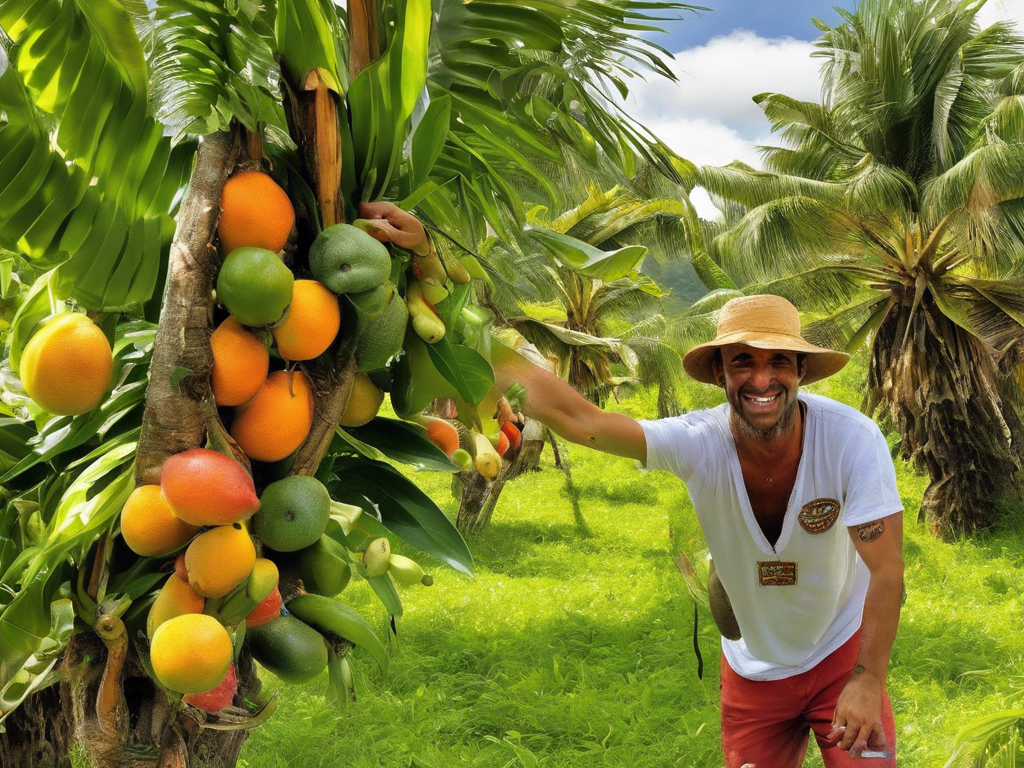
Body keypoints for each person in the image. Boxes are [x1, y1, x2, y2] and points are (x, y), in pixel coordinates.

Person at [489, 294, 904, 768]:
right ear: (718, 373)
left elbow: (886, 568)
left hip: (840, 652)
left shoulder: (851, 439)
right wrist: (470, 341)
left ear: (801, 372)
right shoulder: (698, 443)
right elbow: (586, 422)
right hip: (754, 669)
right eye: (743, 362)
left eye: (779, 362)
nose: (762, 379)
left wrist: (868, 680)